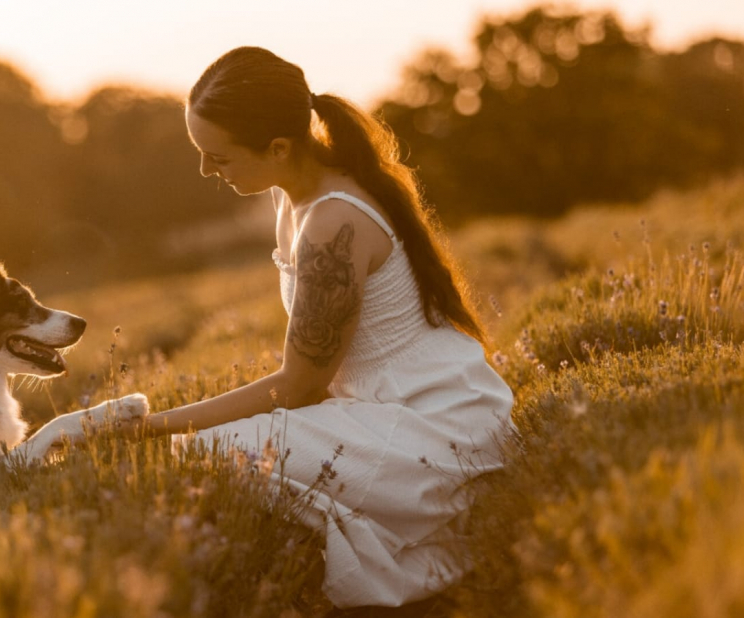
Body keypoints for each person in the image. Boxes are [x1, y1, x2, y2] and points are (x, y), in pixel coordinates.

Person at [137, 46, 516, 610]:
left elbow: (296, 389)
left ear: (279, 148)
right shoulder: (291, 192)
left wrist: (150, 426)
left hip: (434, 426)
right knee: (206, 455)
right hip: (385, 410)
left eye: (218, 158)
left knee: (196, 456)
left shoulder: (332, 220)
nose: (206, 171)